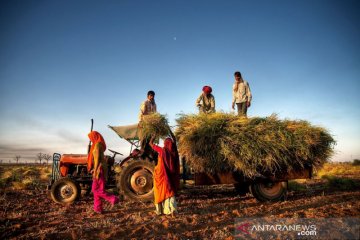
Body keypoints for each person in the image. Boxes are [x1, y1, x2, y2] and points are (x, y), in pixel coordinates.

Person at [88, 131, 119, 214]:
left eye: (91, 138)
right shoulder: (98, 144)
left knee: (95, 189)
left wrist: (95, 169)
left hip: (99, 169)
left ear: (94, 137)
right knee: (97, 190)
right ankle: (98, 208)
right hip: (100, 168)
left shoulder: (98, 145)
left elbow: (97, 159)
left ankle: (113, 199)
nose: (90, 140)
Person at [149, 132, 180, 216]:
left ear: (165, 144)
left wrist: (154, 136)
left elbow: (150, 144)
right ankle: (172, 209)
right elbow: (174, 141)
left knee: (160, 192)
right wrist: (171, 133)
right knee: (170, 192)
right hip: (171, 176)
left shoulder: (162, 150)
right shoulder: (175, 151)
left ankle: (159, 211)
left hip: (161, 176)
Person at [138, 90, 157, 156]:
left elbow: (155, 114)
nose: (152, 97)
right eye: (151, 96)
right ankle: (142, 150)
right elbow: (141, 112)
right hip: (145, 122)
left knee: (151, 137)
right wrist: (140, 121)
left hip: (151, 124)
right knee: (144, 137)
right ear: (148, 96)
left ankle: (149, 150)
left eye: (153, 96)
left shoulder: (154, 104)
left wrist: (155, 122)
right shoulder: (145, 102)